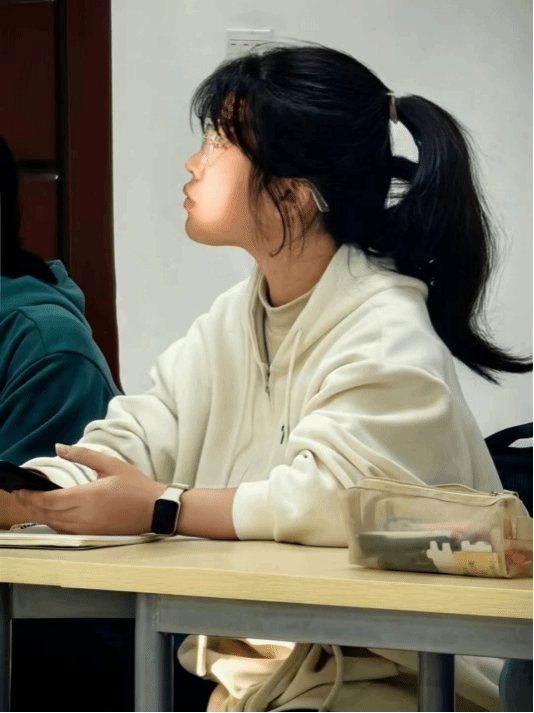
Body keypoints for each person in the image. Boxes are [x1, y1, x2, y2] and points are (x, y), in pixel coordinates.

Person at [5, 40, 533, 712]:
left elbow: (332, 501)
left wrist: (162, 506)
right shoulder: (236, 316)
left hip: (404, 680)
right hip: (272, 673)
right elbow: (136, 436)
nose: (194, 163)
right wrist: (32, 493)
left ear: (292, 195)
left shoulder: (385, 325)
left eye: (219, 142)